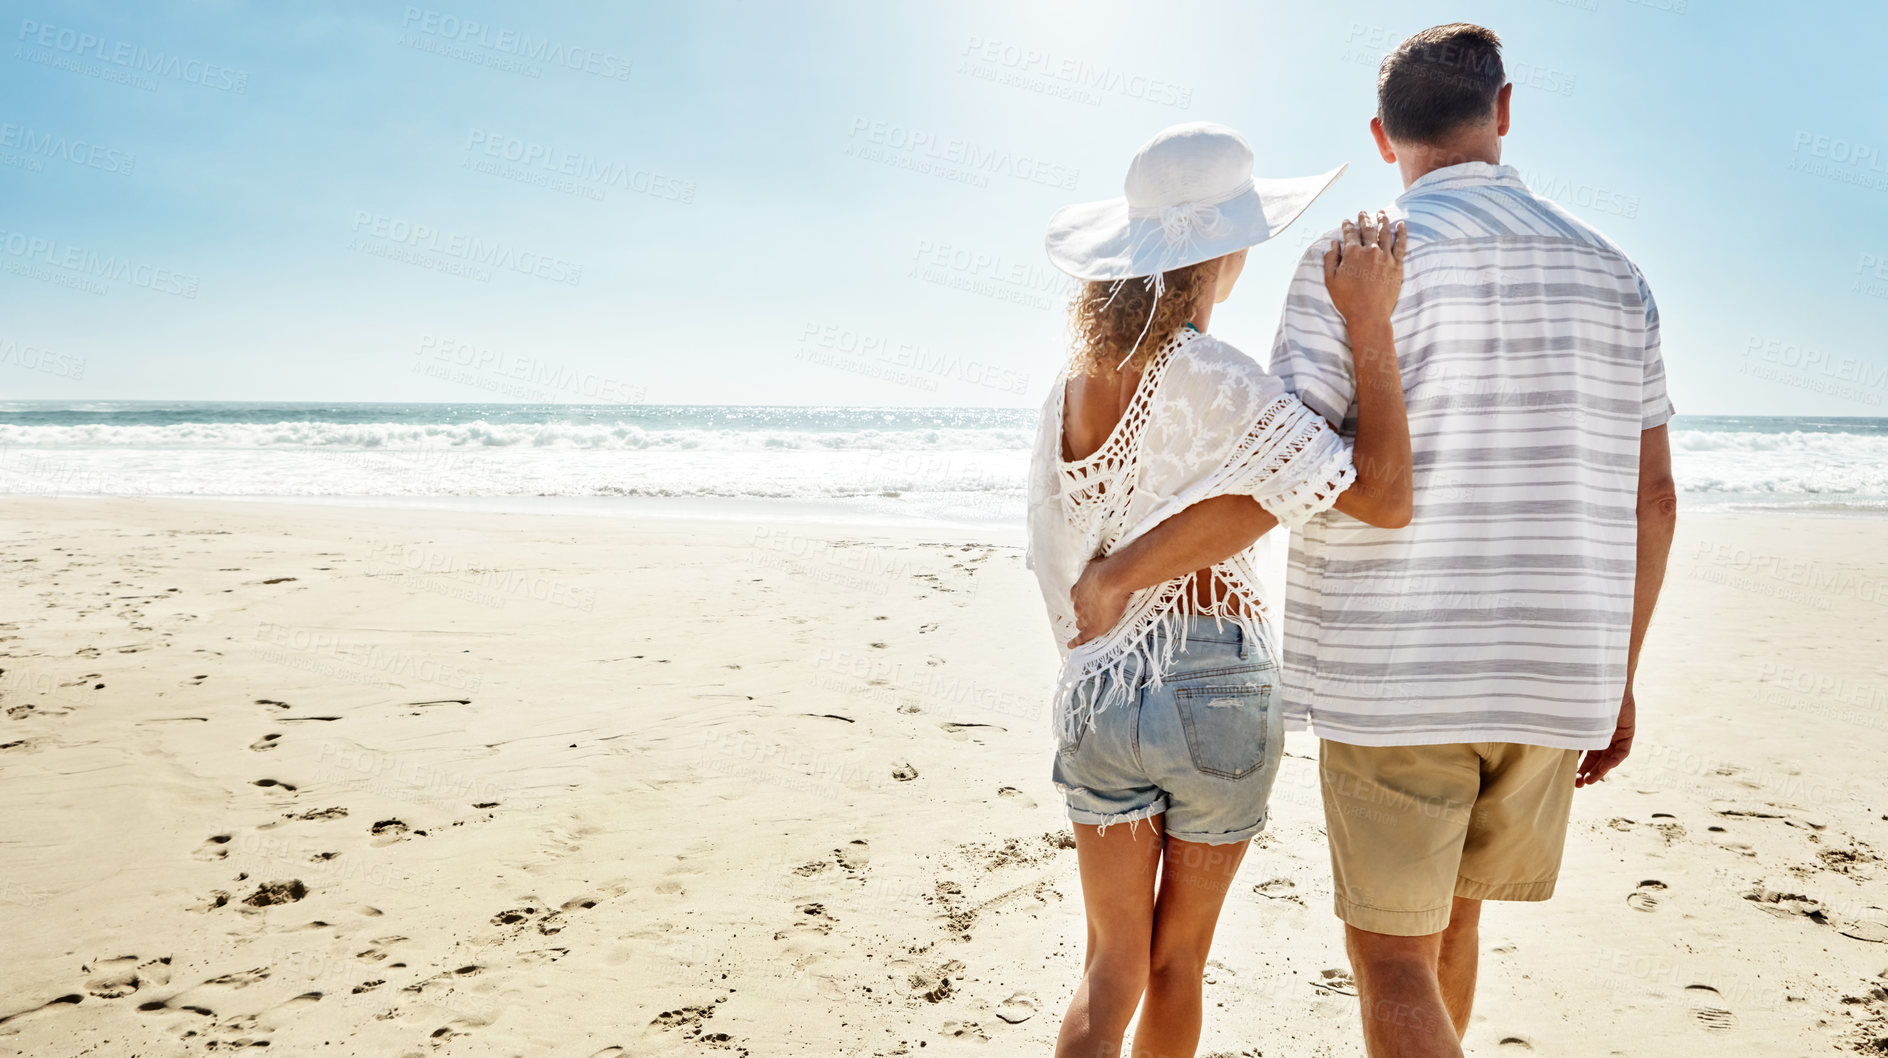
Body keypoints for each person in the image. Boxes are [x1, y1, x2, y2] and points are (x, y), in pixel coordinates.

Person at [1078, 25, 1679, 1058]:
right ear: (1502, 110)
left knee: (1391, 956)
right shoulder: (1617, 274)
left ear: (1381, 134)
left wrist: (1119, 572)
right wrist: (1615, 677)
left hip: (1397, 672)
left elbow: (1293, 471)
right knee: (1457, 925)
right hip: (1553, 669)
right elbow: (1654, 498)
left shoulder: (1350, 259)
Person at [1027, 121, 1411, 1058]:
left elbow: (1065, 546)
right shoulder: (1216, 377)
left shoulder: (1075, 385)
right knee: (1177, 964)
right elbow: (1380, 496)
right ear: (1225, 254)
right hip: (1213, 681)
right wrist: (1370, 325)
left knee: (1109, 965)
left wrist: (1114, 588)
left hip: (1098, 689)